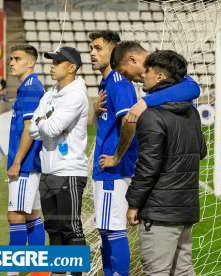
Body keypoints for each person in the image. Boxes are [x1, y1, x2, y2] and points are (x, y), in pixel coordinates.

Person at [126, 50, 207, 276]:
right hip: (186, 207)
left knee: (157, 271)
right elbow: (201, 151)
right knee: (182, 270)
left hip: (160, 210)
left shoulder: (152, 114)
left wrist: (133, 203)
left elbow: (147, 167)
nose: (143, 74)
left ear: (160, 77)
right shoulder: (191, 111)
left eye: (148, 71)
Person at [29, 46, 88, 276]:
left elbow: (48, 127)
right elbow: (34, 130)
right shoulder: (50, 93)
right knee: (53, 229)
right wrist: (46, 123)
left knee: (71, 229)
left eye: (58, 62)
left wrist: (44, 121)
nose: (52, 65)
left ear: (71, 67)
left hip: (69, 170)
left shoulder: (76, 94)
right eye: (52, 61)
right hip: (49, 170)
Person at [88, 30, 136, 276]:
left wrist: (117, 157)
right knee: (106, 230)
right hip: (105, 171)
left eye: (98, 48)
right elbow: (103, 126)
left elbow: (130, 120)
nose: (92, 53)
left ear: (113, 52)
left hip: (113, 172)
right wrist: (95, 111)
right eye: (91, 48)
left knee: (114, 230)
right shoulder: (107, 82)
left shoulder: (117, 81)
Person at [2, 44, 46, 276]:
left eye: (17, 58)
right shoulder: (30, 86)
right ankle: (38, 271)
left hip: (26, 164)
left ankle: (13, 271)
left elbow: (29, 128)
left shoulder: (30, 88)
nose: (11, 62)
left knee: (16, 216)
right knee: (31, 215)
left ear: (30, 62)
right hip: (32, 164)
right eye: (10, 58)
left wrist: (17, 161)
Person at [109, 40, 201, 124]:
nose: (128, 80)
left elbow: (193, 88)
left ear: (132, 60)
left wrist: (145, 102)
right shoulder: (152, 83)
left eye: (125, 73)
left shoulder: (166, 65)